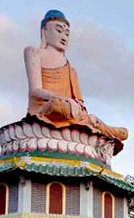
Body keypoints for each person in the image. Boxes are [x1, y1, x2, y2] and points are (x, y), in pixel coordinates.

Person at [24, 10, 128, 143]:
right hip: (45, 109)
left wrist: (79, 108)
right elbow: (35, 91)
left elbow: (79, 102)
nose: (64, 37)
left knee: (79, 114)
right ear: (45, 31)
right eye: (59, 30)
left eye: (67, 33)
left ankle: (95, 123)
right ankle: (96, 127)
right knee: (58, 105)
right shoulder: (34, 52)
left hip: (70, 112)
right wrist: (64, 99)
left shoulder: (70, 69)